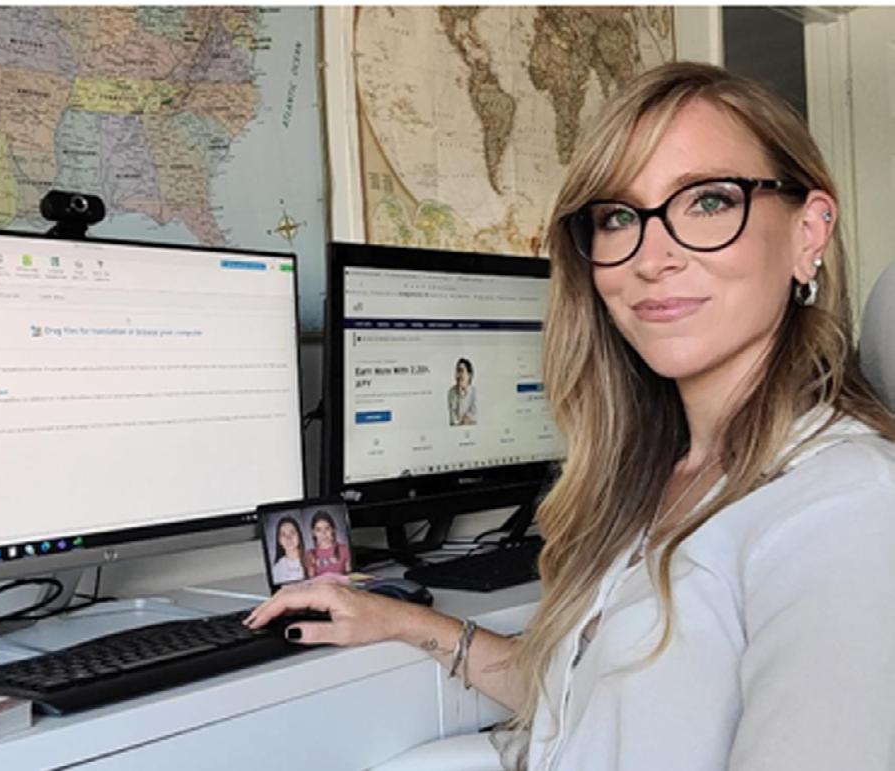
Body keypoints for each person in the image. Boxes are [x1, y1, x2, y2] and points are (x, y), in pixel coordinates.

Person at [246, 62, 895, 771]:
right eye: (619, 217)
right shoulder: (658, 475)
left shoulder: (844, 509)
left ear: (809, 232)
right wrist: (402, 620)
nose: (653, 257)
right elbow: (581, 701)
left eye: (708, 201)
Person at [304, 510, 351, 578]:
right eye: (318, 530)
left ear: (333, 529)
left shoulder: (343, 549)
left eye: (327, 528)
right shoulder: (310, 554)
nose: (323, 533)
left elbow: (350, 576)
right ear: (313, 532)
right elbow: (311, 580)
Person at [271, 515, 307, 585]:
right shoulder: (277, 568)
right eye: (283, 534)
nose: (288, 538)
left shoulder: (311, 559)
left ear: (299, 536)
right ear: (279, 540)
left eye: (292, 532)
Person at [448, 357, 477, 425]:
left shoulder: (475, 392)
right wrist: (460, 393)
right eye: (457, 371)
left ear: (469, 375)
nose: (458, 375)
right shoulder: (452, 392)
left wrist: (466, 419)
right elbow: (453, 420)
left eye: (461, 371)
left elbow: (475, 417)